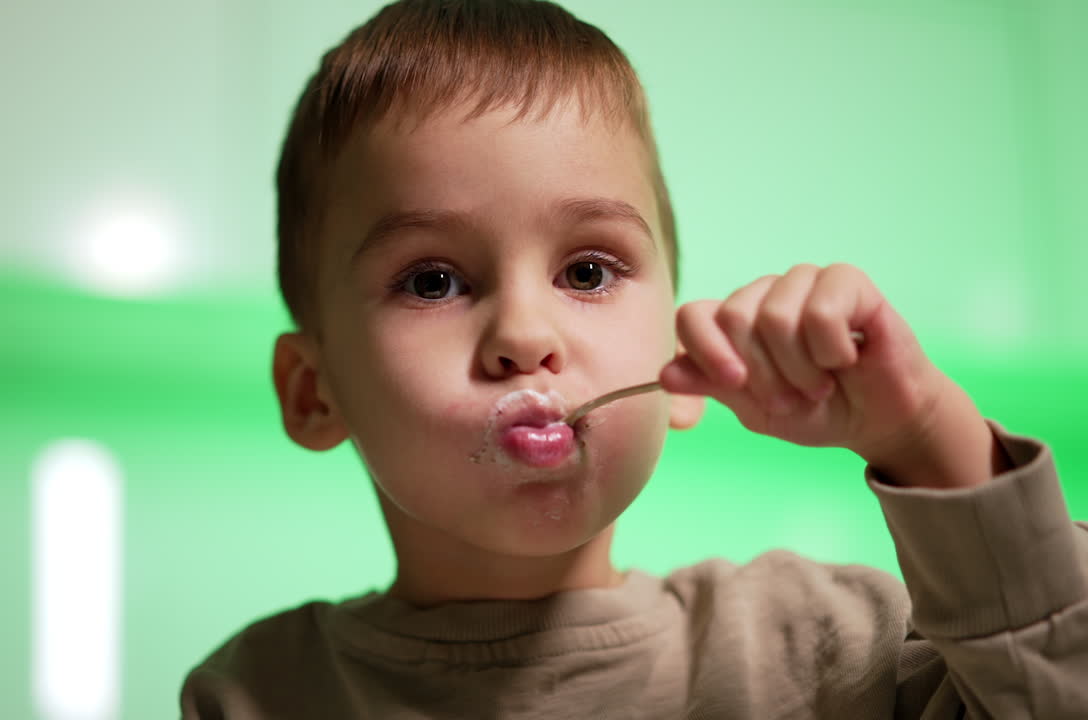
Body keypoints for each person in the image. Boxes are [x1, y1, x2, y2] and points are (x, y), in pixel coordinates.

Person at [180, 1, 1088, 717]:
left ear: (683, 360)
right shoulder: (256, 693)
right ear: (314, 393)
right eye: (432, 281)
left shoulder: (836, 649)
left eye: (587, 269)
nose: (525, 336)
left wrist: (927, 437)